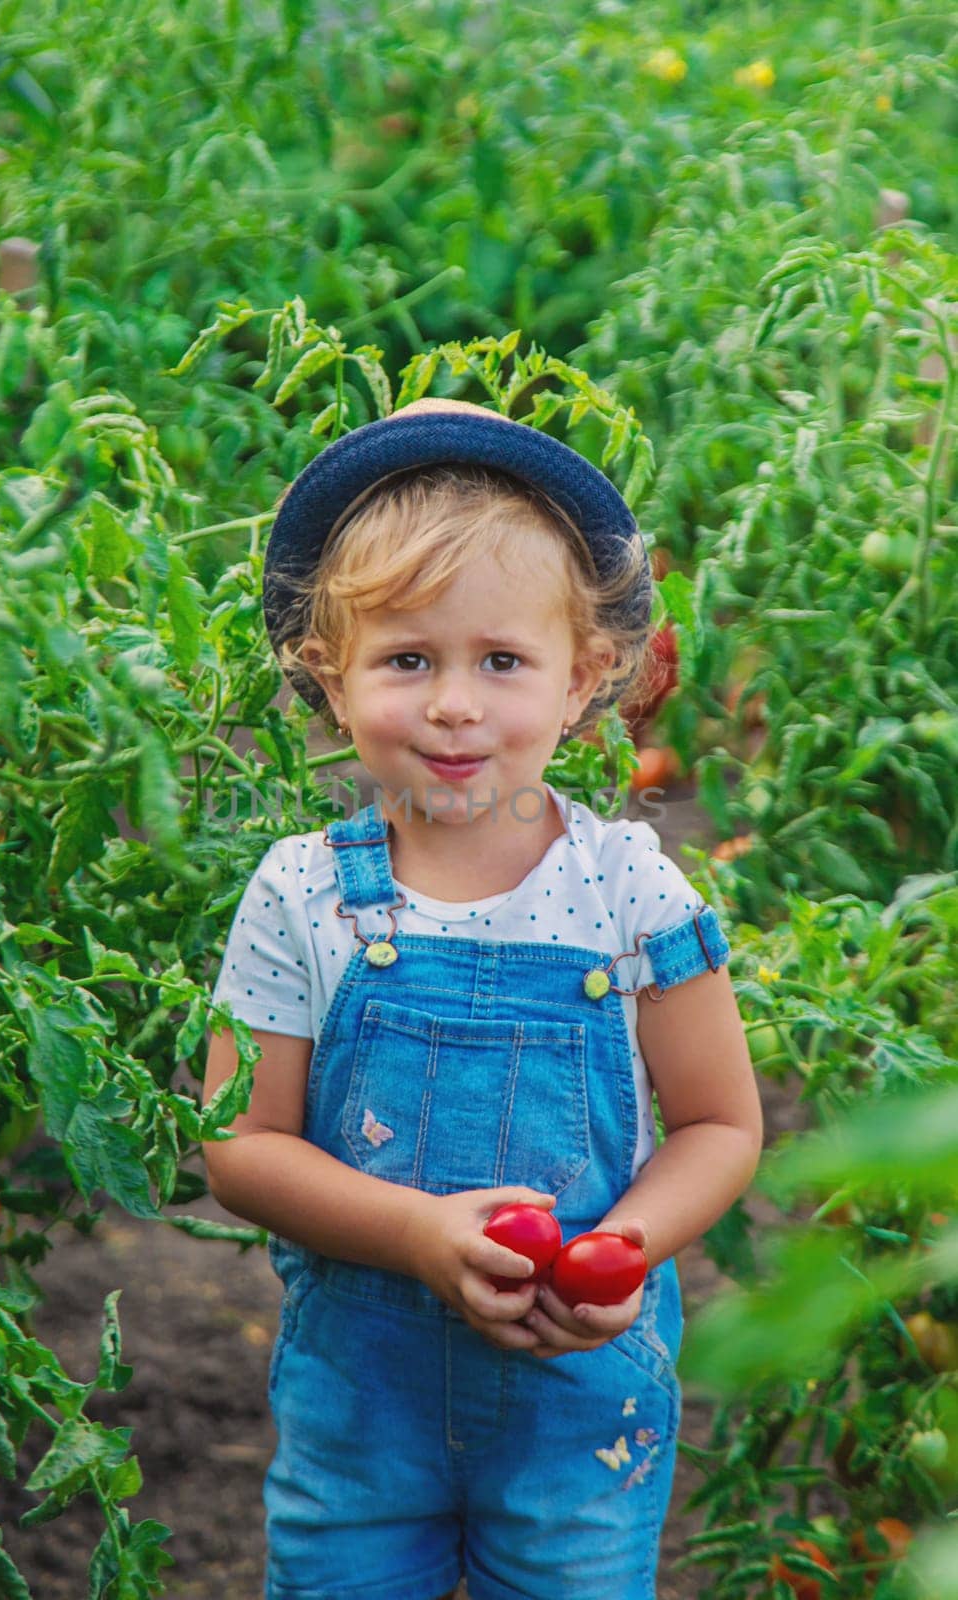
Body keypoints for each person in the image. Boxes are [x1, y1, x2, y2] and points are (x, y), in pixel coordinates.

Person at [202, 397, 763, 1600]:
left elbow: (722, 1123)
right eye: (409, 659)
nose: (455, 703)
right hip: (363, 1401)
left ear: (584, 678)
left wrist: (622, 1248)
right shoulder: (303, 893)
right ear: (328, 675)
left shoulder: (632, 887)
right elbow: (241, 1147)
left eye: (501, 660)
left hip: (581, 1399)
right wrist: (416, 1232)